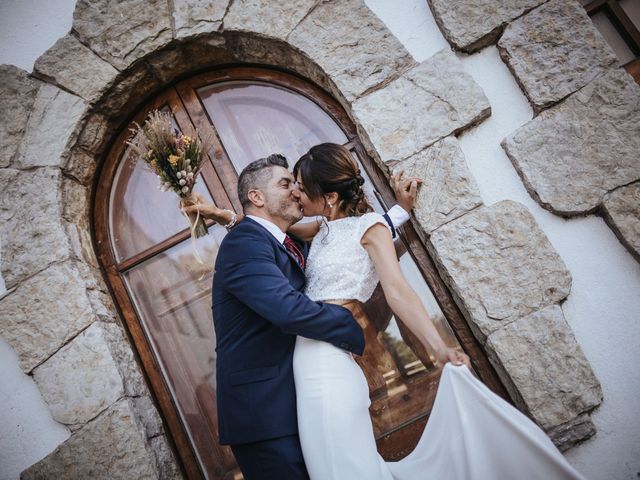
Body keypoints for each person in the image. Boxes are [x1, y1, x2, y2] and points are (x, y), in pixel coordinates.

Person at [289, 143, 584, 479]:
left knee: (337, 466)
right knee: (332, 460)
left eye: (300, 184)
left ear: (328, 197)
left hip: (329, 356)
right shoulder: (322, 228)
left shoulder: (368, 227)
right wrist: (227, 217)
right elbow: (272, 226)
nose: (295, 192)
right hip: (309, 357)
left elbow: (397, 290)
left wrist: (439, 347)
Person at [184, 153, 419, 479]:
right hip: (266, 417)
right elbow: (287, 310)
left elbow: (348, 238)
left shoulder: (286, 240)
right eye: (286, 183)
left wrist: (400, 212)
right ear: (257, 197)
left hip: (299, 402)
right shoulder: (243, 244)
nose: (297, 190)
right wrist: (349, 323)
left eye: (297, 184)